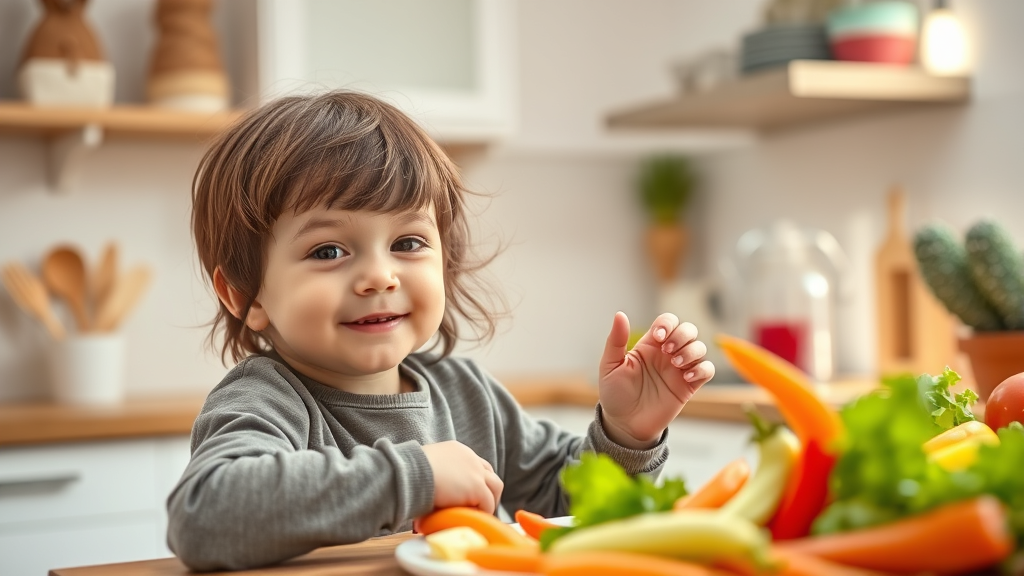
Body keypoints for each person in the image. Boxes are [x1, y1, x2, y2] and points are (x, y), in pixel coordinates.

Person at [166, 90, 715, 571]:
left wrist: (626, 434)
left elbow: (566, 505)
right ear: (245, 295)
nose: (380, 275)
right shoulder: (267, 401)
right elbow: (206, 514)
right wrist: (417, 475)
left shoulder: (467, 393)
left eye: (407, 243)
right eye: (328, 250)